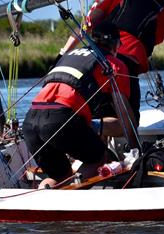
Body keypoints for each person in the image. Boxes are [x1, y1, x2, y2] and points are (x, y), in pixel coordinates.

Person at [23, 22, 138, 189]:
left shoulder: (68, 56)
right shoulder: (112, 64)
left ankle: (44, 205)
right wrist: (136, 151)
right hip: (61, 118)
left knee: (60, 176)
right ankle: (71, 202)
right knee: (98, 158)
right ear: (115, 44)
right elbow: (125, 115)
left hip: (30, 121)